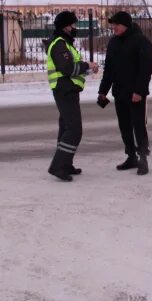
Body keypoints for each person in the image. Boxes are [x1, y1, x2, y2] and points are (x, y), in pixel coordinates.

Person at [98, 11, 152, 175]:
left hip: (135, 94)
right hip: (119, 92)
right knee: (124, 127)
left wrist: (139, 91)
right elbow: (109, 69)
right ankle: (131, 157)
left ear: (126, 25)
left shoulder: (141, 41)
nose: (114, 27)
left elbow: (146, 69)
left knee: (139, 126)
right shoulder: (113, 42)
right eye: (113, 24)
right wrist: (103, 91)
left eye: (117, 24)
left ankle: (143, 158)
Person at [45, 10, 98, 182]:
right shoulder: (59, 44)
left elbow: (73, 69)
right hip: (64, 90)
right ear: (65, 26)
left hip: (68, 89)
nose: (75, 27)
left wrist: (88, 69)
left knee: (67, 128)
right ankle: (58, 166)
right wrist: (86, 65)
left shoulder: (66, 43)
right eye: (73, 24)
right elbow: (67, 68)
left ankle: (65, 164)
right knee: (74, 130)